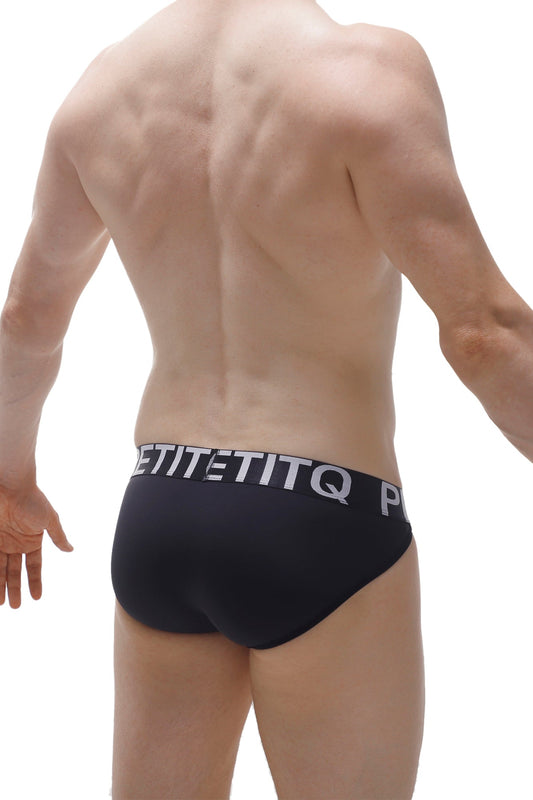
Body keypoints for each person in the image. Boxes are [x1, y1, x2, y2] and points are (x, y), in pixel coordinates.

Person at [0, 0, 531, 798]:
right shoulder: (363, 73)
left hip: (162, 504)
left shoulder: (101, 93)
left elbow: (25, 320)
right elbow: (484, 336)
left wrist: (10, 479)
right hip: (321, 512)